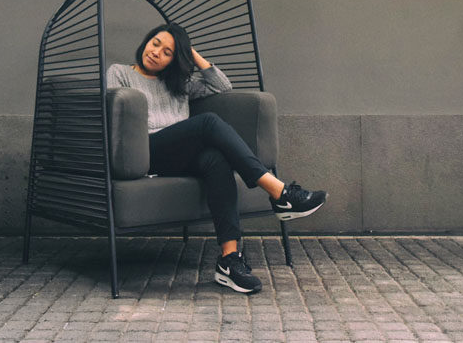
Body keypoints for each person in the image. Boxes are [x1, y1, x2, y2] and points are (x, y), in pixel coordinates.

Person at [106, 22, 327, 294]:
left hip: (178, 154)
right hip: (144, 150)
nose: (156, 53)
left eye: (167, 52)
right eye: (155, 43)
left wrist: (189, 53)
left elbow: (222, 84)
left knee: (215, 159)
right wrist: (177, 49)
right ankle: (278, 191)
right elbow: (114, 107)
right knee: (208, 122)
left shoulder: (179, 84)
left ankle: (229, 261)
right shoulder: (119, 72)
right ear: (146, 41)